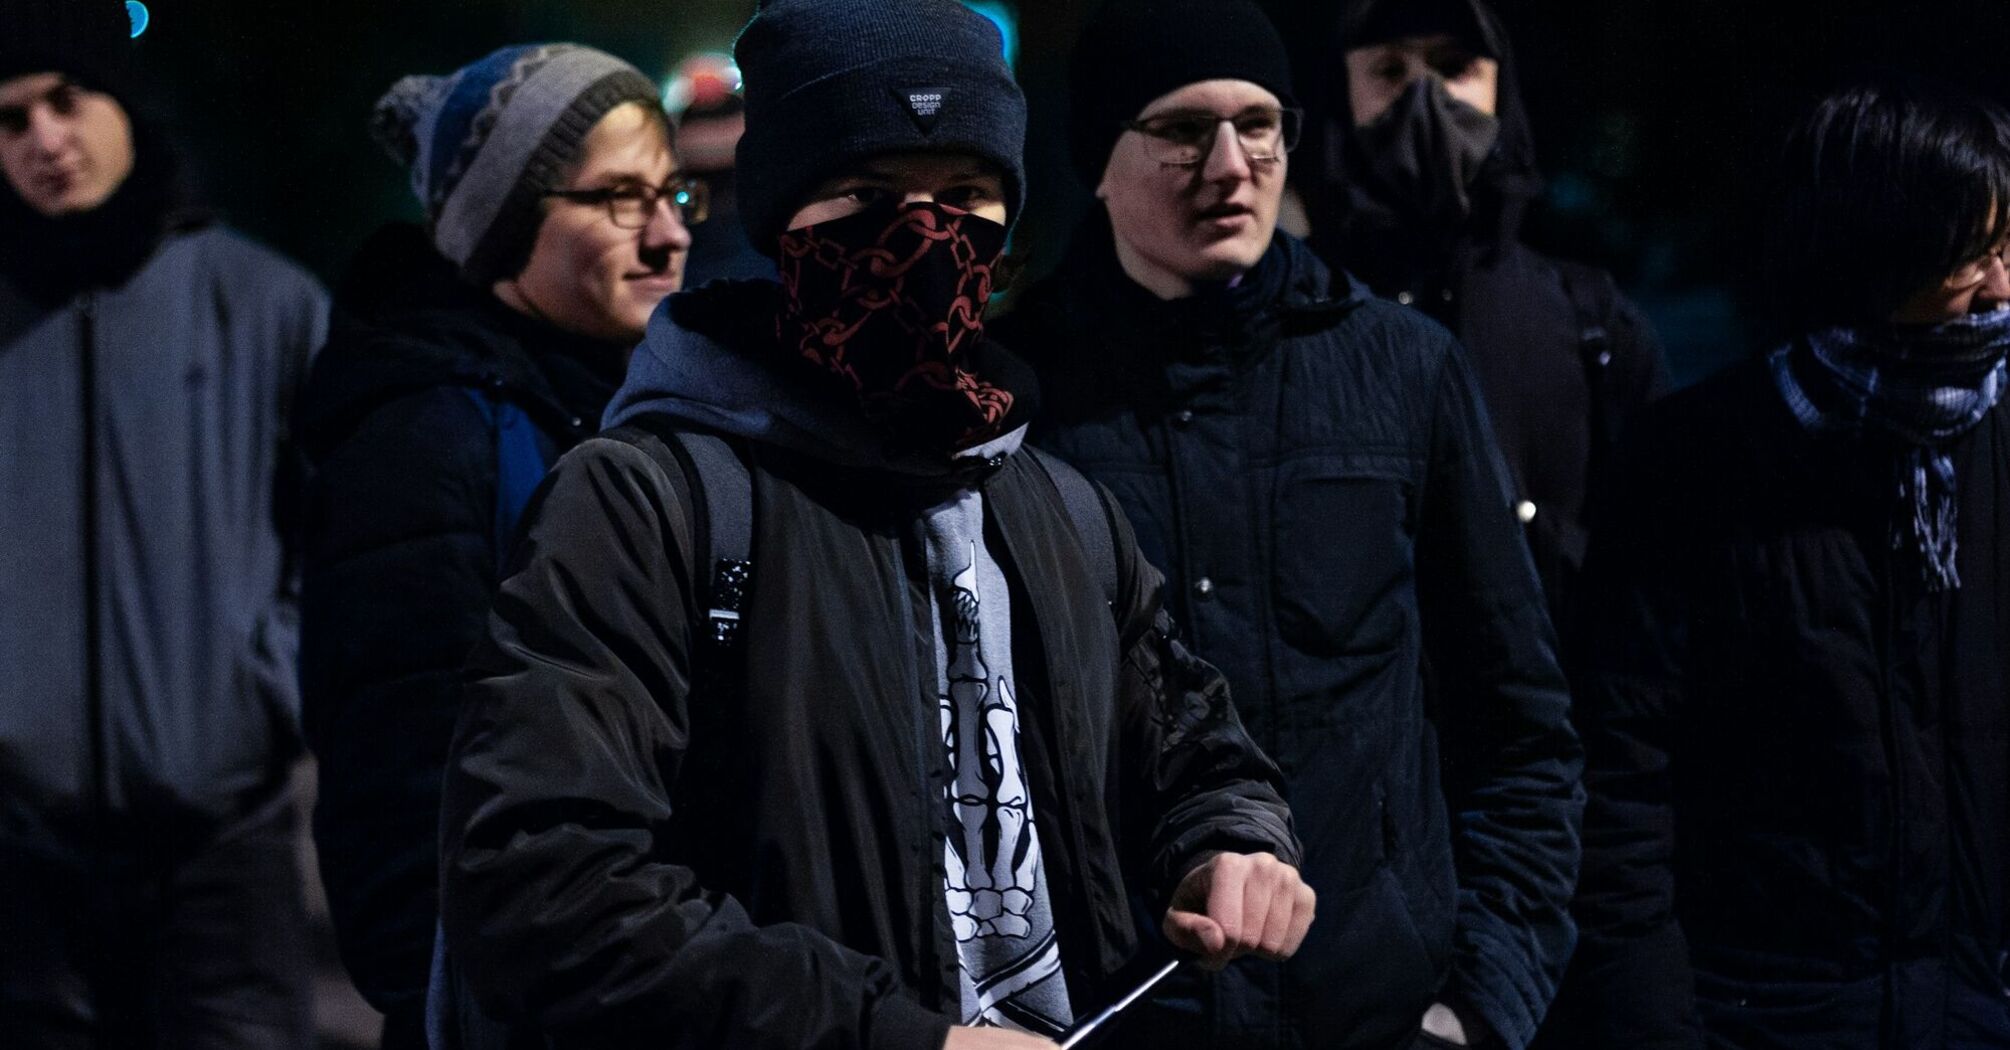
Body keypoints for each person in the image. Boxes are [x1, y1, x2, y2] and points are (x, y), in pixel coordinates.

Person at [435, 2, 1314, 1047]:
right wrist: (892, 1037)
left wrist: (1230, 843)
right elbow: (544, 887)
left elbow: (1194, 744)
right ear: (780, 220)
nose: (927, 238)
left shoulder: (1056, 506)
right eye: (867, 194)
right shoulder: (645, 503)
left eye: (967, 194)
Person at [991, 1, 1580, 1048]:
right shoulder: (1017, 400)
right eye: (1181, 130)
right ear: (1098, 157)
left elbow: (1521, 725)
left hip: (1381, 1016)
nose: (1230, 165)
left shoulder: (1402, 368)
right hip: (1123, 1015)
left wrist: (1481, 1006)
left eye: (1258, 125)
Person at [1562, 77, 2010, 1048]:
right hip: (1767, 1017)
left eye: (2009, 248)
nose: (2004, 288)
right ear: (1876, 254)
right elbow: (1622, 773)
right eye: (1975, 256)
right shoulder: (1696, 461)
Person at [293, 44, 693, 1049]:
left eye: (672, 192)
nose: (667, 235)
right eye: (616, 200)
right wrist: (440, 1002)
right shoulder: (429, 430)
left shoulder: (610, 399)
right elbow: (399, 751)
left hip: (625, 970)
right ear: (503, 223)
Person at [0, 1, 328, 1045]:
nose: (46, 140)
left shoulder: (264, 303)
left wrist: (260, 689)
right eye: (9, 122)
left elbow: (339, 541)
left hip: (224, 852)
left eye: (65, 101)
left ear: (122, 104)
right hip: (21, 864)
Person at [1296, 0, 1668, 635]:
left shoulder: (1588, 317)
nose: (1425, 102)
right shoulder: (1294, 321)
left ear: (1502, 86)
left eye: (1452, 66)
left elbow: (1659, 566)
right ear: (1342, 93)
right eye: (1388, 70)